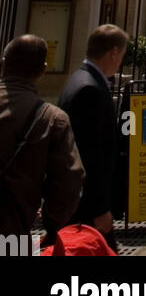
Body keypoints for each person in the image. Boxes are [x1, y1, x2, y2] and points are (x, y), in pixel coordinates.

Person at [0, 35, 84, 253]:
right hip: (10, 235)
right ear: (42, 70)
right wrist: (52, 224)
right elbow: (68, 185)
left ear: (3, 65)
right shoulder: (52, 118)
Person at [59, 23, 127, 252]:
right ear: (114, 52)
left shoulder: (79, 79)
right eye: (121, 55)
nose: (121, 62)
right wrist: (100, 208)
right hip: (86, 207)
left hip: (77, 202)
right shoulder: (90, 89)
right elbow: (89, 155)